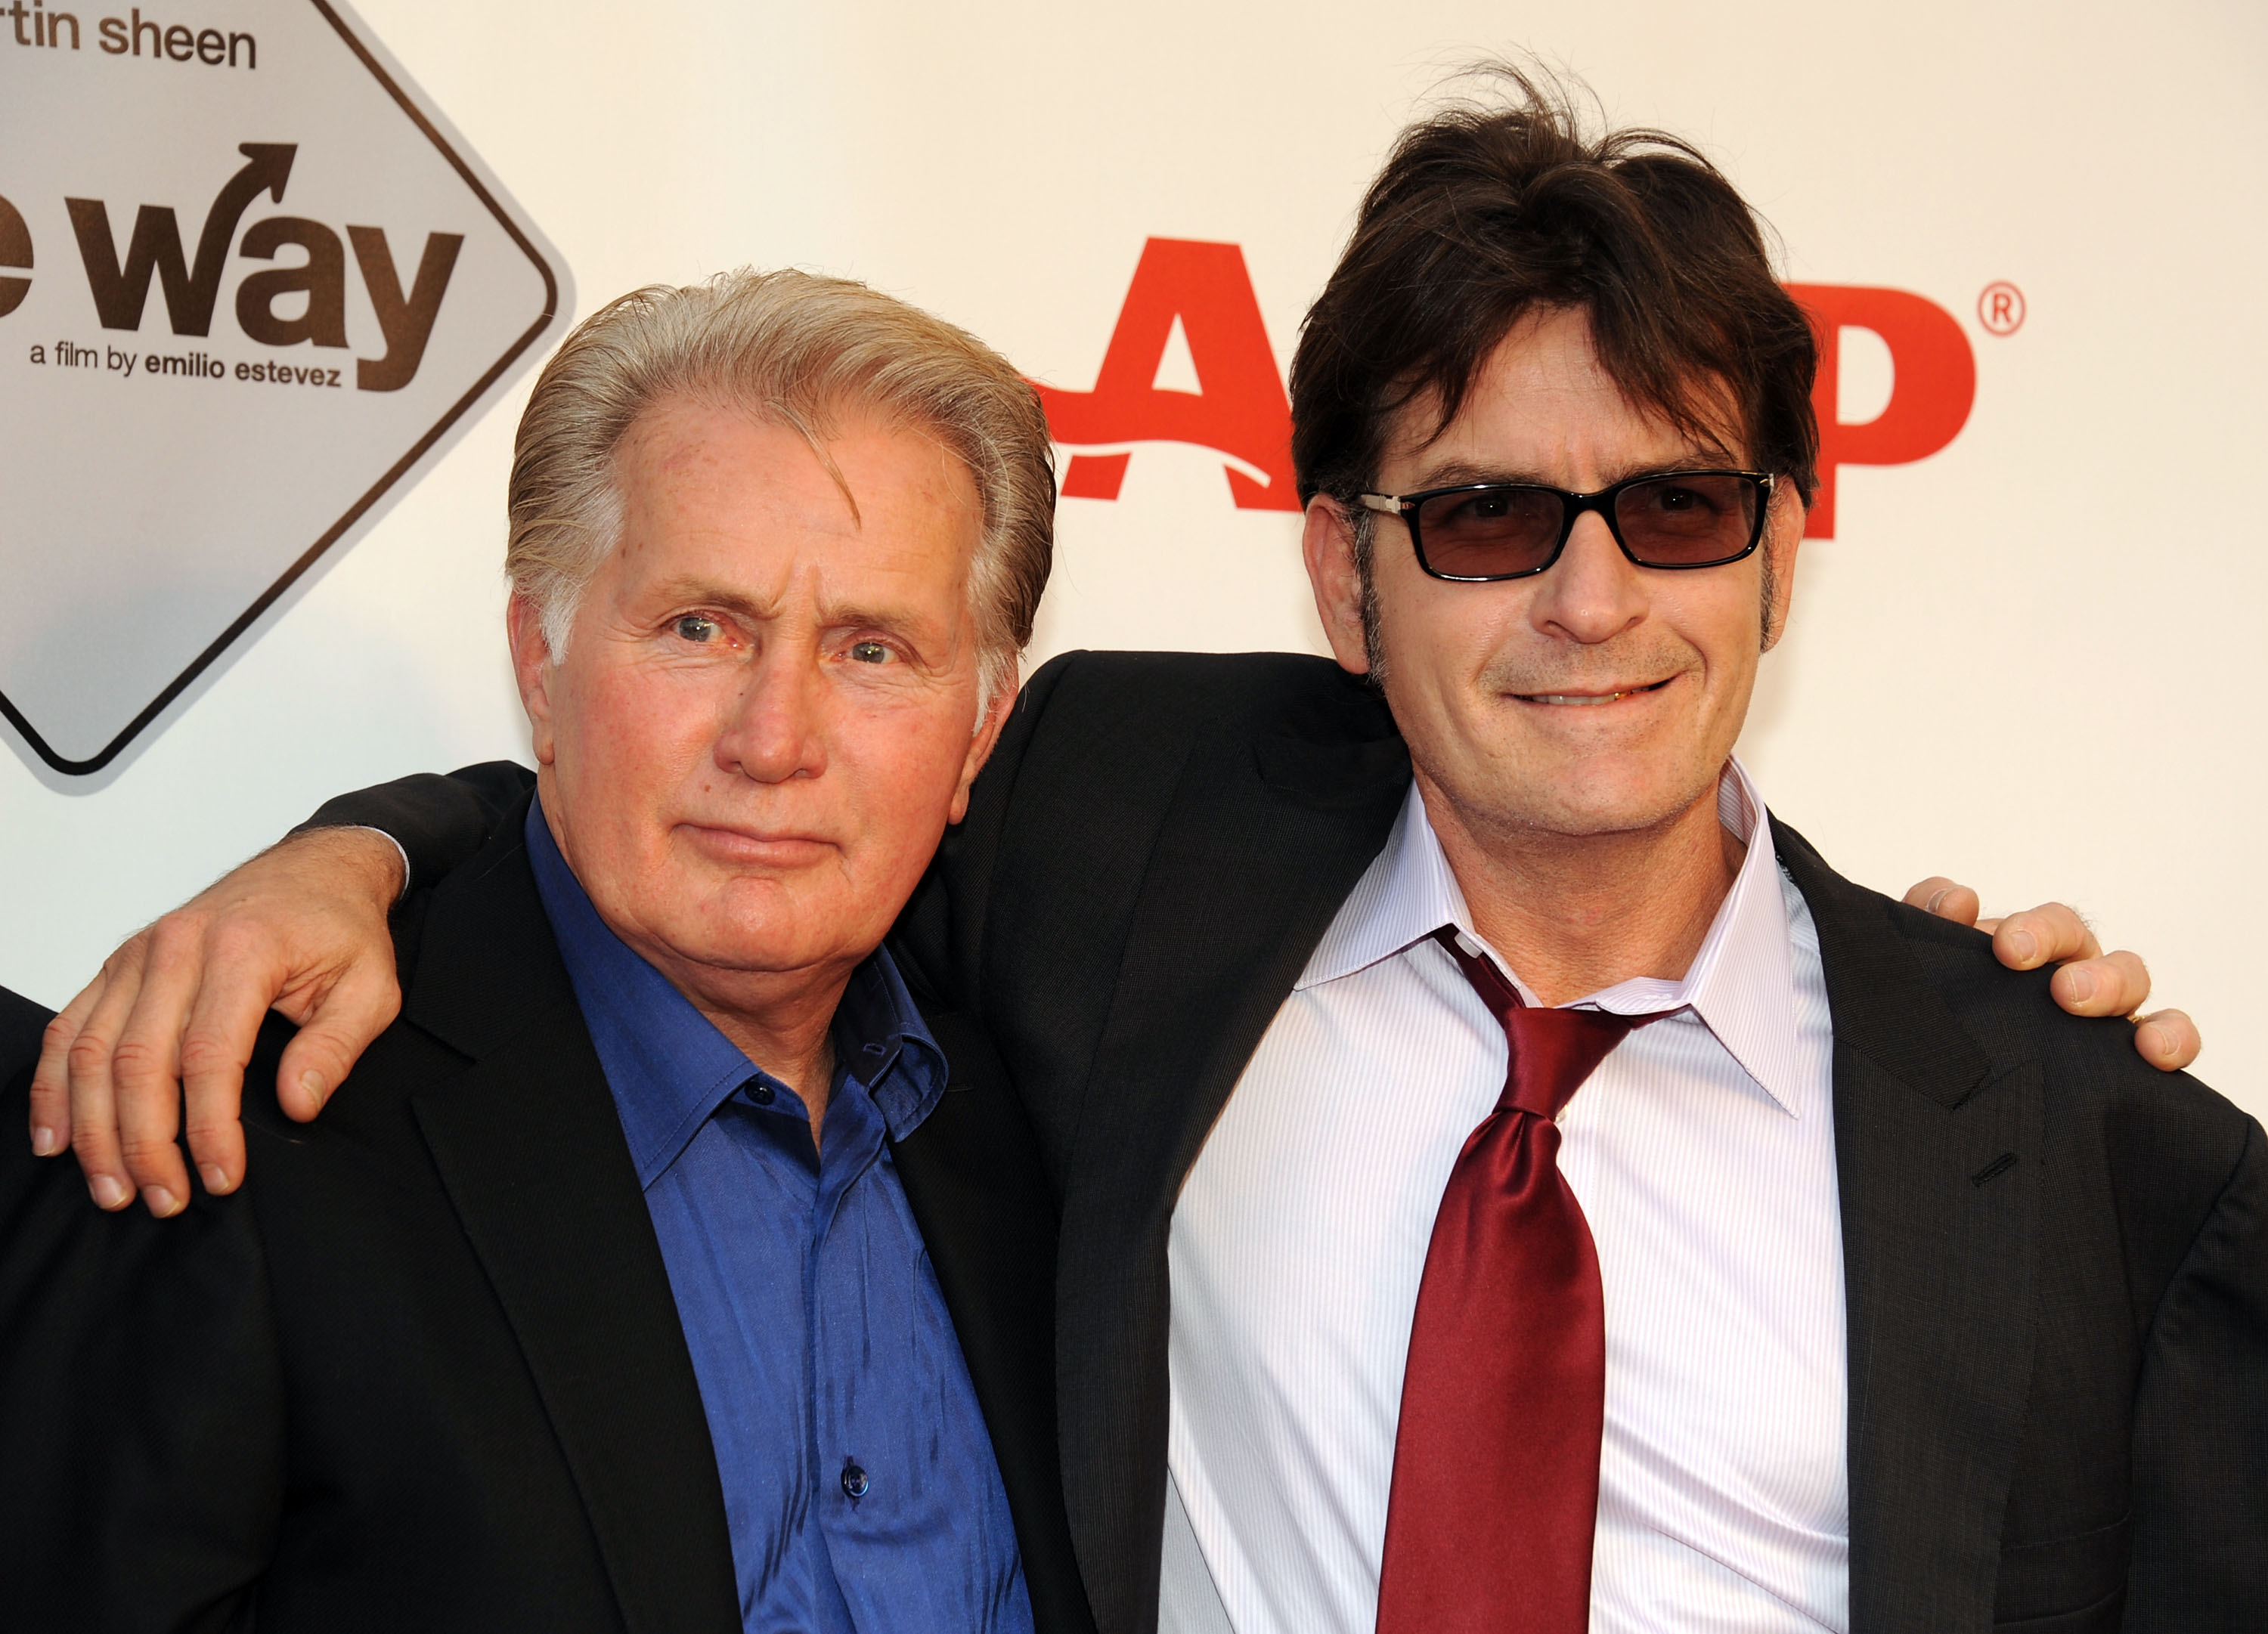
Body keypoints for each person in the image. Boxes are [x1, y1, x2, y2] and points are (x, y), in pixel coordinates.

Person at [23, 70, 2258, 1634]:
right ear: (1341, 575)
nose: (1590, 603)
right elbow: (705, 850)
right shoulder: (1132, 854)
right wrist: (358, 854)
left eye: (1674, 508)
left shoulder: (2073, 1140)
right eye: (1484, 515)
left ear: (1783, 549)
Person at [0, 270, 1094, 1632]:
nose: (775, 739)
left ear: (978, 733)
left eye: (873, 650)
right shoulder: (239, 1130)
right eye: (702, 628)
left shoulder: (1056, 1113)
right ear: (540, 659)